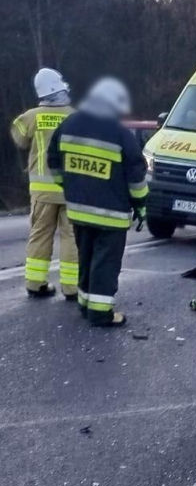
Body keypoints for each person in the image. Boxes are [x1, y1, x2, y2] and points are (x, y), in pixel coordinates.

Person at [47, 78, 147, 327]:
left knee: (87, 257)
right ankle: (101, 313)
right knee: (105, 262)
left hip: (79, 210)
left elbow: (53, 160)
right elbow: (136, 175)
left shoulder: (68, 125)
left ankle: (85, 304)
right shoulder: (119, 133)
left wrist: (68, 186)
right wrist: (141, 205)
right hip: (110, 215)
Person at [10, 69, 79, 301]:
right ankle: (71, 288)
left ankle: (35, 284)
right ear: (60, 89)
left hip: (42, 191)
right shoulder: (75, 116)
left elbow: (19, 139)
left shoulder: (31, 117)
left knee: (40, 235)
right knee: (71, 237)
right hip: (70, 190)